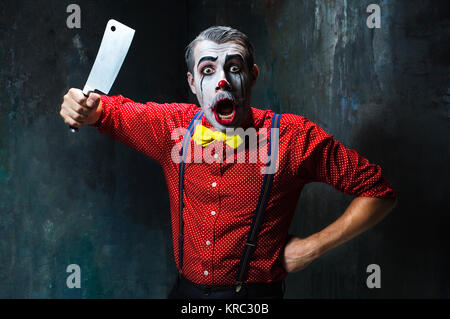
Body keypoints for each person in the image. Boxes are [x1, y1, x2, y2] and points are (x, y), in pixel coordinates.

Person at [59, 26, 397, 299]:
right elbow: (105, 110)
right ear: (192, 83)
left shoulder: (294, 137)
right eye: (208, 70)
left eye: (233, 68)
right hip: (186, 294)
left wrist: (312, 248)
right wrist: (82, 107)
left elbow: (379, 191)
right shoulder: (171, 127)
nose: (221, 80)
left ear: (251, 76)